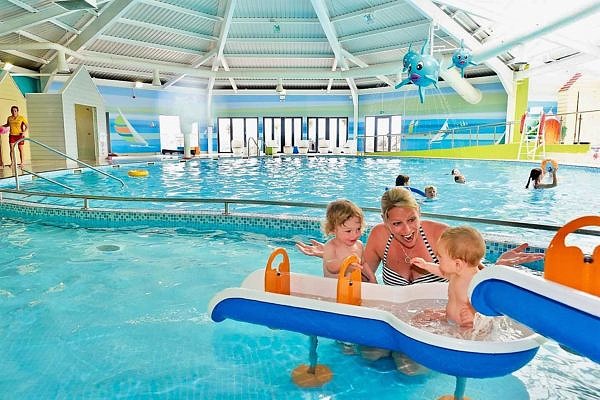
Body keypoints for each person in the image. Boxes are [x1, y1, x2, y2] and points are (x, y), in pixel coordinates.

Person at [296, 187, 544, 372]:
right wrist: (333, 256)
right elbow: (361, 280)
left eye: (412, 219)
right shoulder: (379, 237)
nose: (406, 229)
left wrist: (497, 267)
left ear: (419, 213)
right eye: (396, 223)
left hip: (438, 322)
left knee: (409, 369)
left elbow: (474, 274)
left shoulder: (441, 236)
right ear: (384, 221)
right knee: (370, 355)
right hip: (400, 318)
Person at [410, 226, 485, 328]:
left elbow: (488, 308)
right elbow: (441, 271)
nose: (437, 258)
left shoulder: (476, 283)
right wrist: (425, 265)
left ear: (457, 264)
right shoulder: (456, 273)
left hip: (466, 327)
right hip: (449, 317)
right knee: (424, 314)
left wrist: (474, 316)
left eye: (440, 256)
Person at [320, 199, 365, 278]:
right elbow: (330, 267)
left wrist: (372, 277)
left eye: (358, 229)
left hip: (353, 287)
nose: (354, 235)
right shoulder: (331, 246)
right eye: (348, 231)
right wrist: (345, 264)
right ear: (333, 229)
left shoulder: (359, 245)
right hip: (333, 288)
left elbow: (364, 264)